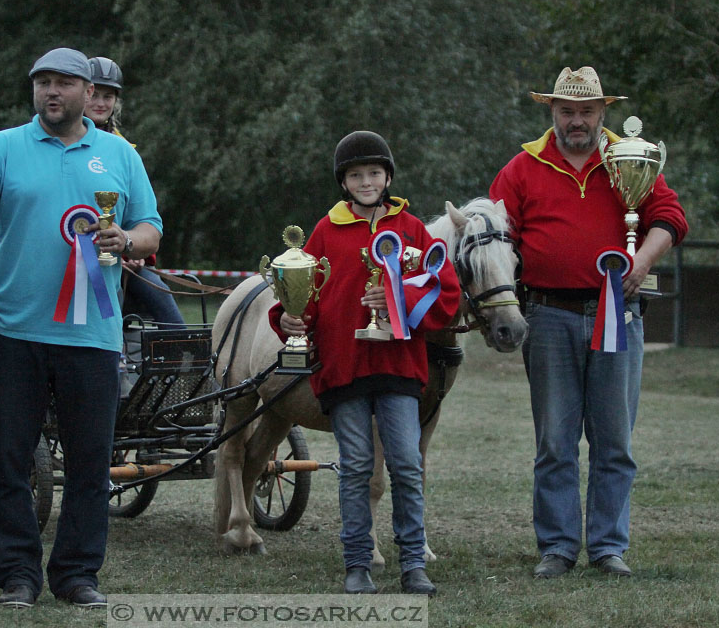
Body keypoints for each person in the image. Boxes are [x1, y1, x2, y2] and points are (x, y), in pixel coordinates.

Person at [0, 47, 163, 608]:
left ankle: (77, 575)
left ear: (86, 92)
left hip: (93, 335)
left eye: (64, 83)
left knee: (89, 464)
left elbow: (150, 227)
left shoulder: (120, 154)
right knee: (7, 459)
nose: (52, 92)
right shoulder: (2, 148)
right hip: (14, 331)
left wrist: (126, 241)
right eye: (43, 83)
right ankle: (17, 577)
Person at [489, 66, 688, 579]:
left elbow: (671, 218)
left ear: (604, 112)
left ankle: (607, 547)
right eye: (566, 111)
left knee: (614, 440)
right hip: (547, 314)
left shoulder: (631, 157)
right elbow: (493, 234)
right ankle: (557, 547)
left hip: (619, 314)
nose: (576, 121)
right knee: (554, 441)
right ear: (551, 111)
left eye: (586, 111)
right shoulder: (522, 167)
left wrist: (641, 263)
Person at [269, 131, 460, 595]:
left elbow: (445, 294)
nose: (367, 181)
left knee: (406, 466)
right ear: (344, 182)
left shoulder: (412, 229)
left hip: (398, 368)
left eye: (375, 173)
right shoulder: (325, 231)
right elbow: (306, 292)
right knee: (355, 466)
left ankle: (413, 563)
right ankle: (357, 563)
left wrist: (396, 296)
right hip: (344, 367)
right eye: (356, 175)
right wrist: (289, 318)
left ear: (389, 177)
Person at [85, 56, 185, 328]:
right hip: (76, 259)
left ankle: (186, 361)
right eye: (95, 95)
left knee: (165, 303)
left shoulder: (125, 150)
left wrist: (135, 252)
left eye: (109, 96)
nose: (101, 103)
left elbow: (141, 214)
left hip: (124, 258)